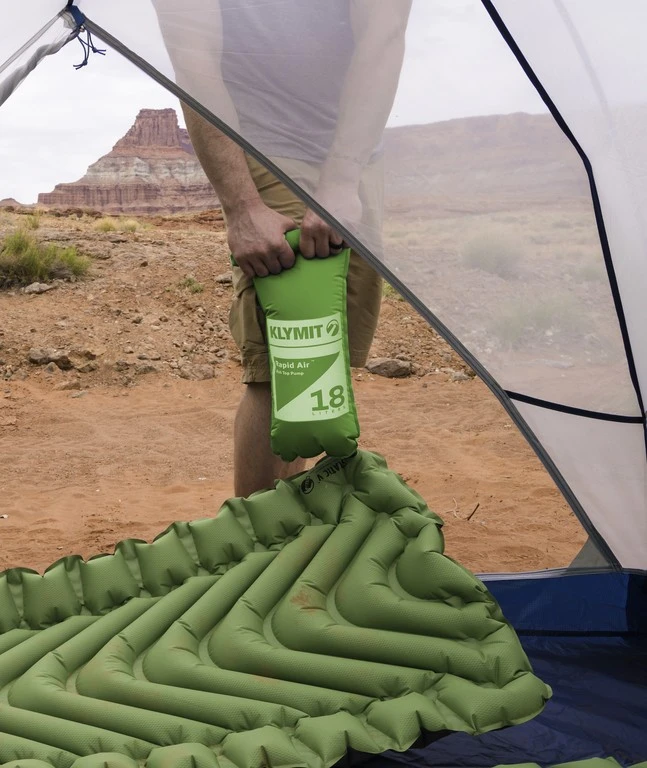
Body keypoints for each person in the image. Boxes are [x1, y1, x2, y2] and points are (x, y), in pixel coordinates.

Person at [152, 0, 411, 496]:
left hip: (358, 153)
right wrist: (242, 206)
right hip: (267, 153)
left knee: (324, 364)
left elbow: (384, 32)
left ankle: (290, 522)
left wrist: (343, 177)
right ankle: (262, 537)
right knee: (284, 368)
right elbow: (193, 55)